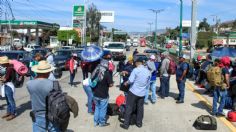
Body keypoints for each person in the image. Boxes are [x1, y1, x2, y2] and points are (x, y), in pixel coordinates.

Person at [26, 60, 60, 131]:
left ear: (37, 71)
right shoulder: (54, 84)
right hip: (53, 115)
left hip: (37, 115)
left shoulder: (29, 84)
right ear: (48, 72)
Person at [120, 58, 151, 130]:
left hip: (133, 92)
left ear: (137, 63)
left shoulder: (135, 70)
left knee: (129, 107)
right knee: (140, 108)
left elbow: (130, 80)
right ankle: (139, 123)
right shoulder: (148, 71)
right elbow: (148, 83)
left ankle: (126, 124)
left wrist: (126, 83)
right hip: (142, 93)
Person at [91, 59, 113, 127]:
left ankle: (95, 122)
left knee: (97, 108)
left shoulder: (95, 72)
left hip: (95, 94)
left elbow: (91, 80)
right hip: (103, 95)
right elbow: (110, 84)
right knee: (103, 109)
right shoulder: (107, 73)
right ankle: (101, 123)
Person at [0, 56, 16, 121]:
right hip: (7, 85)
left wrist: (1, 79)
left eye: (2, 63)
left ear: (5, 63)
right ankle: (9, 112)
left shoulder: (9, 69)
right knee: (8, 100)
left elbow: (5, 79)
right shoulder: (8, 68)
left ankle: (13, 113)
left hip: (9, 85)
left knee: (10, 100)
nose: (1, 64)